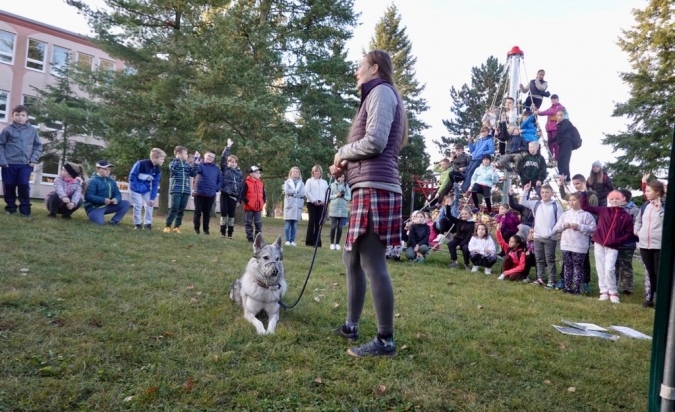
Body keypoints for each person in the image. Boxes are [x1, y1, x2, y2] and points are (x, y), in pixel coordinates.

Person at [330, 50, 406, 358]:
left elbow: (375, 142)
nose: (355, 72)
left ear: (374, 67)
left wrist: (342, 152)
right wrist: (344, 165)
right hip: (366, 186)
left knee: (373, 263)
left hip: (377, 188)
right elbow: (372, 146)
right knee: (351, 260)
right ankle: (351, 325)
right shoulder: (374, 95)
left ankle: (385, 340)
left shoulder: (382, 92)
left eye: (359, 66)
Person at [580, 190, 635, 303]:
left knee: (609, 269)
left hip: (613, 246)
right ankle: (604, 291)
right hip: (599, 243)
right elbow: (585, 206)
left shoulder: (626, 216)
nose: (614, 201)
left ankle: (613, 292)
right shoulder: (603, 210)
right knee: (600, 268)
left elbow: (630, 233)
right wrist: (583, 194)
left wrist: (618, 241)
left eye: (617, 199)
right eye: (612, 199)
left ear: (622, 200)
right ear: (609, 200)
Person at [0, 105, 42, 216]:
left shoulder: (32, 131)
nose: (20, 117)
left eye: (22, 115)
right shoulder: (7, 130)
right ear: (13, 116)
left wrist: (34, 159)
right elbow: (1, 145)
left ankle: (25, 209)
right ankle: (11, 208)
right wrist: (2, 161)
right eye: (17, 115)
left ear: (27, 117)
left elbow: (38, 146)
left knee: (23, 184)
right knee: (9, 185)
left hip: (25, 164)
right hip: (8, 164)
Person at [552, 192, 596, 294]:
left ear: (580, 201)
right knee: (567, 265)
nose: (571, 202)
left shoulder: (586, 215)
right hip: (566, 244)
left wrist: (580, 227)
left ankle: (577, 288)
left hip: (580, 246)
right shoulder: (565, 214)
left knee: (578, 266)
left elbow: (593, 229)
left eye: (574, 200)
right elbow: (555, 228)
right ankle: (567, 287)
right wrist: (564, 226)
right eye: (570, 200)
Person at [520, 182, 563, 288]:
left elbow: (560, 221)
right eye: (543, 192)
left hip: (550, 237)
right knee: (539, 259)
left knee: (550, 259)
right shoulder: (536, 204)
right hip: (537, 236)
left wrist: (552, 232)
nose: (544, 194)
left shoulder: (556, 206)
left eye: (547, 192)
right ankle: (540, 278)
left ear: (551, 193)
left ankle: (552, 280)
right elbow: (522, 201)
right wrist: (526, 190)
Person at [634, 180, 666, 307]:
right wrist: (637, 231)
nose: (645, 193)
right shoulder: (645, 206)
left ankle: (662, 300)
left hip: (659, 245)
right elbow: (638, 220)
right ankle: (650, 298)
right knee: (650, 272)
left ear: (657, 192)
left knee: (659, 273)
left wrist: (660, 210)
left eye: (648, 191)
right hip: (644, 244)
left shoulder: (665, 205)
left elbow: (667, 223)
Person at [84, 160, 131, 225]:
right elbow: (88, 196)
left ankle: (114, 221)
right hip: (94, 208)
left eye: (109, 169)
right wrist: (103, 200)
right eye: (105, 169)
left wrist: (116, 199)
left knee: (126, 203)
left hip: (108, 206)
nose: (108, 171)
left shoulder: (112, 181)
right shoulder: (92, 181)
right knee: (100, 223)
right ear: (98, 169)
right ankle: (94, 216)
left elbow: (117, 193)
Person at [129, 147, 166, 230]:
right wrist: (135, 187)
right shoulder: (141, 164)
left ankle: (147, 223)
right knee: (138, 205)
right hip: (135, 189)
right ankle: (138, 224)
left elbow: (155, 184)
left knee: (150, 204)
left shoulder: (158, 170)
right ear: (154, 158)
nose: (163, 161)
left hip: (146, 189)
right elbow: (132, 175)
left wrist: (152, 198)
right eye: (162, 159)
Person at [164, 146, 197, 234]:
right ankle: (167, 225)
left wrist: (196, 163)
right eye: (185, 154)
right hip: (176, 190)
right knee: (174, 207)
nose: (187, 155)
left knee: (181, 209)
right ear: (179, 154)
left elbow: (193, 173)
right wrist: (177, 160)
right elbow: (172, 170)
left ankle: (177, 227)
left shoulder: (187, 165)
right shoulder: (173, 163)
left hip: (186, 191)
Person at [192, 150, 222, 235]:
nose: (210, 158)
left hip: (210, 194)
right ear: (205, 155)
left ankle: (206, 230)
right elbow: (195, 170)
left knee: (207, 214)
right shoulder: (200, 165)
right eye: (209, 156)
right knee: (197, 212)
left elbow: (220, 180)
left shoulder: (216, 169)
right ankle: (196, 230)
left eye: (212, 157)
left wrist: (217, 188)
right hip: (199, 193)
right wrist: (196, 159)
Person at [615, 189, 639, 295]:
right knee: (614, 265)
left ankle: (627, 288)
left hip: (627, 243)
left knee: (626, 265)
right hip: (615, 243)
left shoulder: (634, 210)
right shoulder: (614, 208)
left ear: (623, 198)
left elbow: (636, 226)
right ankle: (613, 285)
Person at [219, 139, 243, 239]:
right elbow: (223, 158)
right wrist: (228, 147)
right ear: (228, 163)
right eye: (230, 162)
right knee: (224, 214)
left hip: (234, 197)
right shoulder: (225, 169)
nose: (232, 163)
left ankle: (230, 234)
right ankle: (222, 232)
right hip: (225, 195)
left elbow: (241, 188)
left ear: (236, 163)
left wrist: (239, 200)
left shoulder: (239, 173)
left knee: (231, 215)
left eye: (234, 162)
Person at [461, 126, 495, 193]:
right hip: (474, 158)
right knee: (467, 171)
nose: (483, 133)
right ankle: (463, 187)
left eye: (485, 132)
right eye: (482, 132)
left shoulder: (489, 140)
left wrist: (482, 153)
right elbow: (472, 149)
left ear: (488, 132)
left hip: (479, 159)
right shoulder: (479, 140)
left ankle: (464, 188)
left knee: (471, 172)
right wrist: (470, 142)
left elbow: (492, 150)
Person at [534, 94, 565, 161]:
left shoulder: (559, 107)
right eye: (552, 99)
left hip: (555, 128)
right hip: (549, 128)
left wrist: (539, 112)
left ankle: (556, 158)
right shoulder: (551, 107)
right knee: (549, 144)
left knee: (555, 144)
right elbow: (546, 111)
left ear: (557, 99)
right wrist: (538, 112)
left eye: (554, 99)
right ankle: (550, 158)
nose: (553, 100)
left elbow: (552, 112)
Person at [240, 165, 266, 242]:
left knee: (258, 223)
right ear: (251, 174)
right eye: (256, 172)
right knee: (248, 222)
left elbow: (264, 195)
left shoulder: (261, 183)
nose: (258, 174)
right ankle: (250, 237)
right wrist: (248, 202)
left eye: (259, 173)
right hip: (249, 208)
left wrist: (262, 202)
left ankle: (258, 238)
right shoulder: (247, 183)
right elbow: (242, 194)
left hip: (258, 208)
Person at [305, 165, 328, 247]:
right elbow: (307, 192)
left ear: (320, 172)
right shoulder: (309, 181)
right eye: (315, 171)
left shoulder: (324, 182)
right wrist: (314, 200)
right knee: (311, 222)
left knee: (319, 223)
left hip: (321, 204)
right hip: (312, 203)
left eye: (318, 171)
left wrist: (324, 201)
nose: (317, 173)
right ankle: (309, 241)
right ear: (313, 172)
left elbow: (327, 193)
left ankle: (317, 242)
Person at [553, 109, 579, 183]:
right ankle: (561, 173)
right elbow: (558, 135)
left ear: (564, 116)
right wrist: (551, 140)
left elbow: (562, 131)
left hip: (567, 142)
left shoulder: (566, 122)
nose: (559, 117)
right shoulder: (560, 124)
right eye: (558, 115)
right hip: (563, 143)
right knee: (560, 158)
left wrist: (557, 125)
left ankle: (566, 176)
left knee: (565, 159)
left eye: (561, 115)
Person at [283, 166, 305, 246]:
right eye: (294, 172)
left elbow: (302, 193)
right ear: (291, 173)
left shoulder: (301, 183)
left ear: (299, 174)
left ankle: (292, 240)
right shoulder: (287, 182)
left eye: (297, 172)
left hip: (297, 205)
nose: (295, 173)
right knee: (288, 224)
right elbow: (287, 191)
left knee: (294, 225)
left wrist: (294, 193)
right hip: (289, 205)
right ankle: (287, 240)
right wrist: (295, 191)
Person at [328, 174, 351, 250]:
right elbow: (329, 196)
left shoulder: (346, 186)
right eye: (340, 177)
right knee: (333, 226)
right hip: (334, 209)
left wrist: (343, 196)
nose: (342, 178)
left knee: (340, 227)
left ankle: (337, 243)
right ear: (337, 177)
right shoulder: (332, 185)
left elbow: (349, 197)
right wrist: (336, 195)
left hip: (343, 210)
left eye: (343, 177)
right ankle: (332, 243)